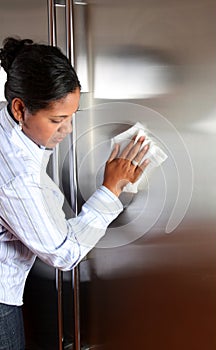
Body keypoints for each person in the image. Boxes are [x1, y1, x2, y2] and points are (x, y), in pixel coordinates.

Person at [0, 37, 149, 349]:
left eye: (72, 116)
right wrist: (111, 189)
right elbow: (63, 253)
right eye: (57, 119)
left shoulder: (8, 123)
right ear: (19, 108)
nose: (66, 130)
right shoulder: (17, 176)